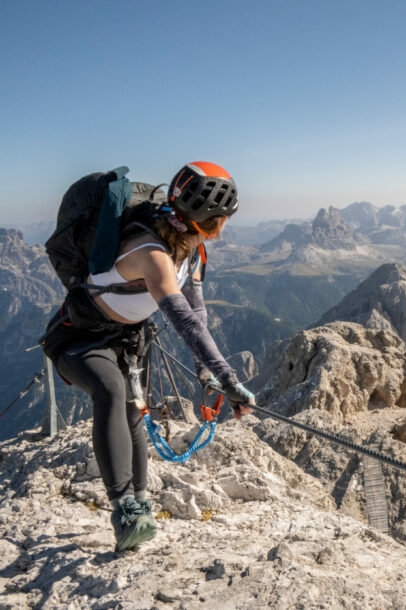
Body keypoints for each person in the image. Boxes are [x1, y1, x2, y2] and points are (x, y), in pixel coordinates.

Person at [41, 161, 255, 552]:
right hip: (79, 338)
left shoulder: (193, 251)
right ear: (206, 221)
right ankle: (123, 510)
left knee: (133, 412)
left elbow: (199, 311)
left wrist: (205, 374)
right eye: (217, 223)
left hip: (125, 339)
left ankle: (141, 506)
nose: (221, 231)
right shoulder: (152, 255)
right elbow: (185, 322)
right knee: (110, 389)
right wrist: (228, 378)